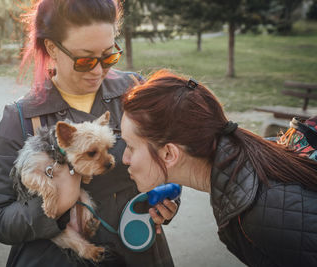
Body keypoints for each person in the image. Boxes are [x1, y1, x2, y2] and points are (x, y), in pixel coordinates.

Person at [0, 1, 178, 266]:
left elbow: (169, 160)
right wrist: (57, 205)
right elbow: (2, 221)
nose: (98, 71)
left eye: (108, 56)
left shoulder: (134, 92)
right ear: (52, 48)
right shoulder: (21, 117)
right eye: (85, 59)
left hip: (139, 253)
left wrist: (167, 203)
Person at [120, 69, 317, 267]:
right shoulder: (245, 172)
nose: (124, 159)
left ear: (169, 154)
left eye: (130, 146)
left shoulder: (262, 214)